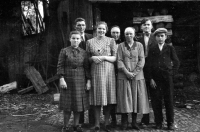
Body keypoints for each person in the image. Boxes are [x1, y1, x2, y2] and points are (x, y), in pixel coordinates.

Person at [57, 31, 91, 132]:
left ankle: (76, 125)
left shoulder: (84, 52)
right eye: (73, 38)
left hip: (80, 80)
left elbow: (87, 68)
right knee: (67, 105)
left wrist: (88, 81)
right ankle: (65, 126)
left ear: (80, 40)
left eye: (77, 38)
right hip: (67, 80)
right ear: (70, 39)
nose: (75, 40)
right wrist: (61, 79)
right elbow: (60, 65)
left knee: (78, 105)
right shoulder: (64, 51)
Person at [116, 27, 150, 130]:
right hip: (124, 76)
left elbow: (142, 60)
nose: (129, 36)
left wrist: (134, 73)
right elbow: (119, 60)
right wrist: (127, 73)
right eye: (127, 34)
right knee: (124, 98)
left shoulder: (139, 45)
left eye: (131, 34)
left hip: (137, 76)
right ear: (124, 35)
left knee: (136, 98)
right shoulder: (121, 46)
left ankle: (134, 122)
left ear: (134, 34)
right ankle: (124, 122)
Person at [86, 21, 117, 132]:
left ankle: (107, 123)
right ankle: (97, 123)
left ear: (106, 30)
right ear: (96, 29)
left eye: (103, 29)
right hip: (96, 72)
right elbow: (87, 59)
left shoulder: (111, 40)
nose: (101, 31)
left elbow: (115, 58)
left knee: (108, 97)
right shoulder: (89, 42)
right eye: (99, 28)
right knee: (97, 98)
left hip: (109, 72)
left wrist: (104, 57)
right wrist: (92, 58)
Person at [148, 28, 180, 130]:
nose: (160, 38)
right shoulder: (152, 49)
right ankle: (158, 122)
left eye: (162, 36)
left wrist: (172, 74)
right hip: (156, 79)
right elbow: (149, 65)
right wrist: (151, 78)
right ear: (155, 37)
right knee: (156, 100)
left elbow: (176, 62)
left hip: (167, 78)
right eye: (158, 36)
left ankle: (170, 122)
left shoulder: (170, 48)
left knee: (169, 100)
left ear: (166, 37)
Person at [71, 17, 94, 125]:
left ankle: (93, 121)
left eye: (83, 25)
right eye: (79, 25)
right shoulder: (72, 38)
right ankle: (80, 122)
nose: (81, 27)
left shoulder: (90, 37)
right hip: (78, 71)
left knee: (91, 96)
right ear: (75, 26)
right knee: (79, 96)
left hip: (91, 68)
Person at [137, 18, 157, 127]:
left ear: (152, 26)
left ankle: (158, 120)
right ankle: (145, 120)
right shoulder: (138, 39)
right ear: (141, 27)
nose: (146, 26)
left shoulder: (156, 38)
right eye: (144, 25)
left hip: (154, 69)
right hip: (142, 70)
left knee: (155, 94)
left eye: (148, 24)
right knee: (143, 95)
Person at [109, 25, 122, 127]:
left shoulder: (123, 44)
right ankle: (113, 119)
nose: (115, 34)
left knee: (121, 95)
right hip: (110, 72)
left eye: (117, 32)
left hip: (121, 72)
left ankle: (123, 119)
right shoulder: (107, 42)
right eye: (113, 32)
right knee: (112, 95)